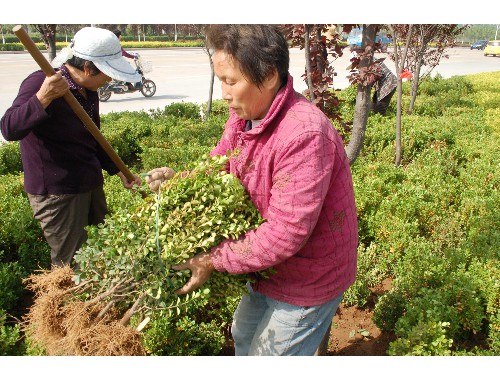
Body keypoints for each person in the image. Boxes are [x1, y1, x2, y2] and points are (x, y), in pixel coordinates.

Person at [146, 25, 358, 356]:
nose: (224, 94)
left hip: (308, 276)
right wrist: (180, 180)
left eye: (231, 82)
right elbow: (221, 162)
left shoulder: (304, 135)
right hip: (268, 267)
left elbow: (284, 233)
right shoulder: (245, 115)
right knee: (243, 335)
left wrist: (214, 259)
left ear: (270, 75)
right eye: (222, 82)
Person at [0, 27, 142, 268]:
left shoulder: (89, 89)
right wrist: (43, 98)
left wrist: (116, 169)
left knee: (102, 251)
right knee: (71, 264)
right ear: (88, 68)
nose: (109, 79)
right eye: (106, 73)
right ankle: (69, 305)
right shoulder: (41, 82)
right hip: (58, 193)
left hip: (88, 182)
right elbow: (9, 128)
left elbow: (92, 136)